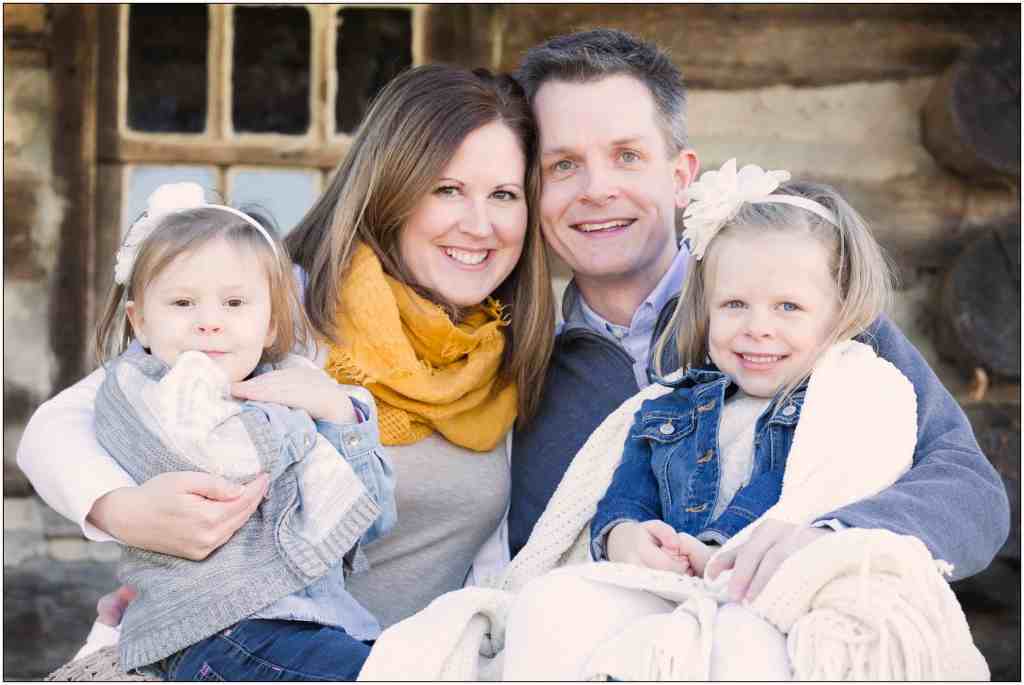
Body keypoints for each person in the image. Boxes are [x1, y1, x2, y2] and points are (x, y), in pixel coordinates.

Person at [17, 65, 555, 679]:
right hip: (253, 651)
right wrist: (119, 509)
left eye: (504, 195)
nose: (479, 224)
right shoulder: (281, 309)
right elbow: (59, 423)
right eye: (447, 189)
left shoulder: (513, 349)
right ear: (392, 188)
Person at [507, 29, 1009, 600]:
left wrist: (827, 538)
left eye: (627, 155)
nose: (598, 189)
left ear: (680, 177)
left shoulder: (813, 326)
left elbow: (973, 493)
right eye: (563, 165)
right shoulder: (521, 368)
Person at [501, 163, 920, 679]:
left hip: (762, 594)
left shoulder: (845, 400)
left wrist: (722, 548)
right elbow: (624, 490)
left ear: (839, 316)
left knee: (742, 645)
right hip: (665, 588)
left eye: (789, 307)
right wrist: (623, 536)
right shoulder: (670, 403)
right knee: (551, 603)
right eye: (735, 304)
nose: (758, 328)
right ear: (707, 307)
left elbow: (810, 490)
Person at [88, 181, 396, 680]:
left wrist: (341, 415)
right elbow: (234, 465)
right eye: (183, 303)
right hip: (221, 629)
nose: (209, 321)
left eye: (234, 304)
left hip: (317, 624)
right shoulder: (144, 392)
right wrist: (301, 425)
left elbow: (374, 519)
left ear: (270, 324)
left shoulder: (292, 384)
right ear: (140, 323)